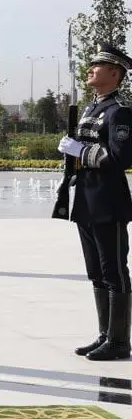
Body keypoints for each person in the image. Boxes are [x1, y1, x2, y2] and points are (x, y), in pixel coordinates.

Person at [61, 43, 132, 361]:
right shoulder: (91, 109)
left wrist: (82, 152)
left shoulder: (119, 112)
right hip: (86, 201)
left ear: (114, 73)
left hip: (108, 201)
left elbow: (121, 158)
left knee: (114, 270)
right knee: (96, 271)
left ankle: (119, 341)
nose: (90, 69)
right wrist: (70, 152)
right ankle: (105, 334)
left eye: (97, 66)